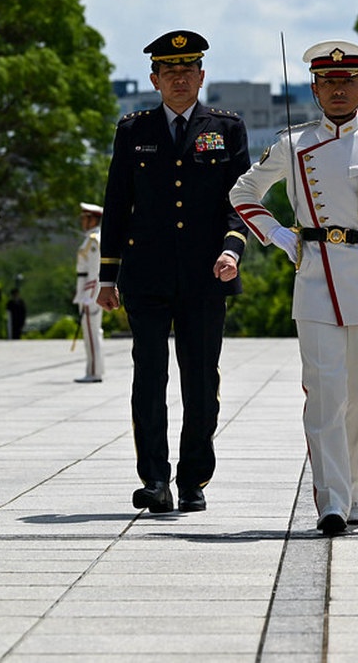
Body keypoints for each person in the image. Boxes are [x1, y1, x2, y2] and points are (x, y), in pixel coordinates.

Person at [230, 40, 358, 536]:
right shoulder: (293, 144)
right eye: (328, 82)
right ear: (314, 87)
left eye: (347, 81)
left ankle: (357, 491)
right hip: (314, 278)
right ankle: (330, 500)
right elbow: (242, 192)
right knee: (324, 394)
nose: (338, 90)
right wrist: (278, 235)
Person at [97, 30, 250, 515]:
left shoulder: (226, 128)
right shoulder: (133, 130)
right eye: (170, 72)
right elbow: (117, 203)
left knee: (201, 379)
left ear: (202, 77)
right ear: (154, 79)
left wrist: (232, 251)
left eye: (188, 71)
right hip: (146, 274)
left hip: (208, 274)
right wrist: (107, 275)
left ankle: (193, 479)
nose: (179, 79)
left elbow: (240, 202)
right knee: (149, 377)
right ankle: (156, 480)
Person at [74, 202, 105, 382]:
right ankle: (94, 369)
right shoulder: (91, 238)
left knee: (91, 334)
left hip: (90, 293)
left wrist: (87, 296)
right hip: (87, 290)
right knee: (92, 333)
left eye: (85, 218)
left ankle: (94, 372)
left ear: (93, 219)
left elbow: (94, 272)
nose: (82, 222)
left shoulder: (94, 240)